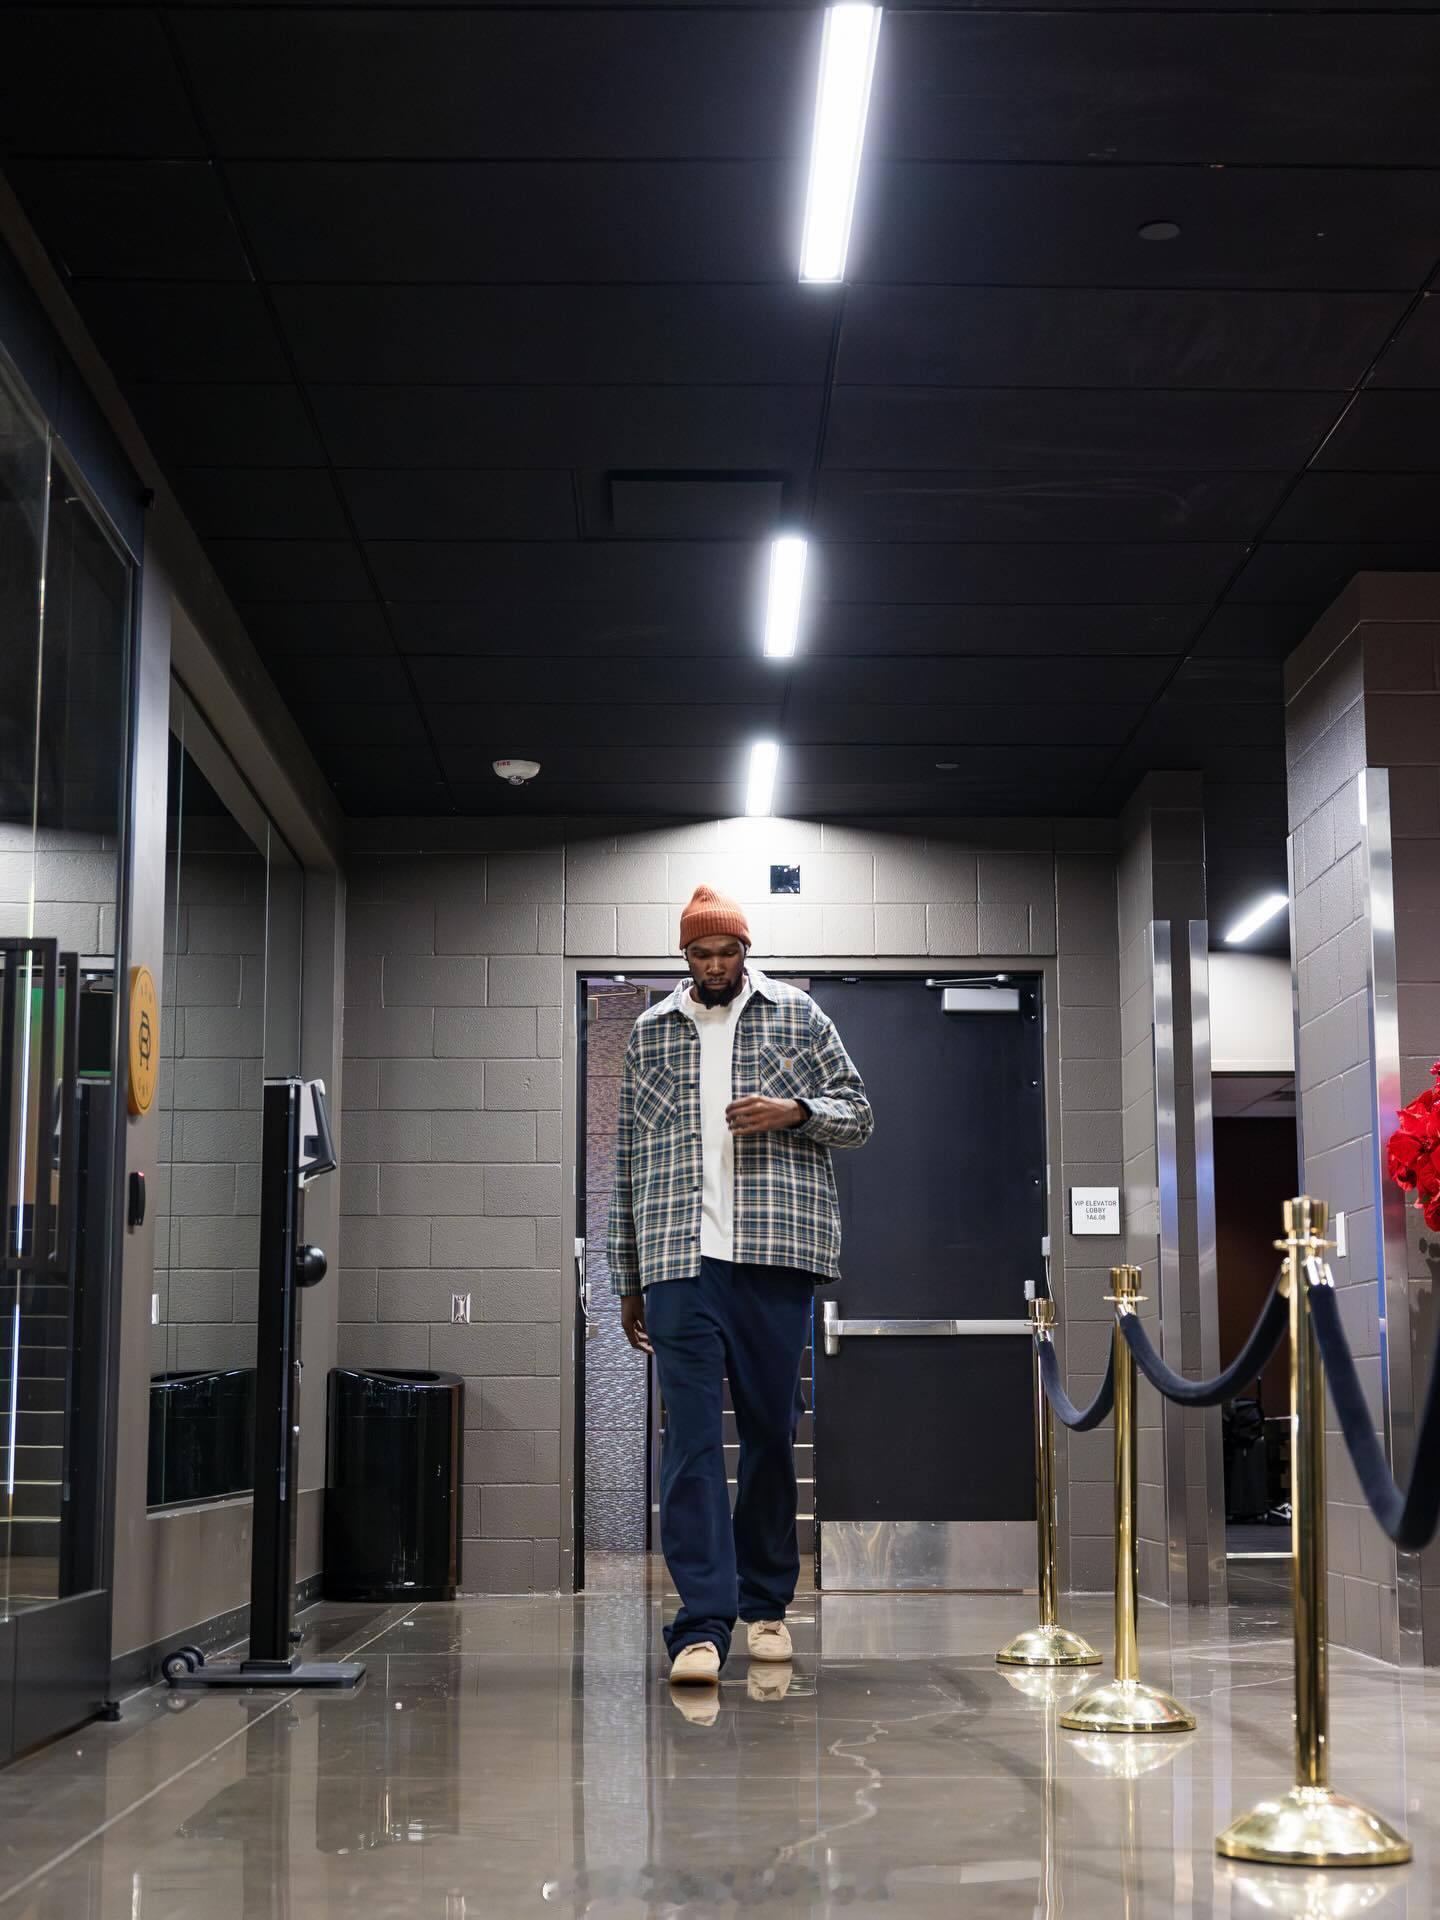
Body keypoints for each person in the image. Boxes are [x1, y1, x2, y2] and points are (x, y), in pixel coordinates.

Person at [606, 884, 874, 1686]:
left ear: (745, 952)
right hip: (677, 1261)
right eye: (702, 954)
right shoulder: (650, 1032)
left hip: (773, 1256)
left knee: (768, 1434)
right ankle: (700, 1625)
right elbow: (628, 1158)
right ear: (684, 956)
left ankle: (765, 1608)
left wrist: (795, 1112)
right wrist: (628, 1278)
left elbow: (859, 1114)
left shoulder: (798, 1014)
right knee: (689, 1444)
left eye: (728, 952)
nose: (717, 965)